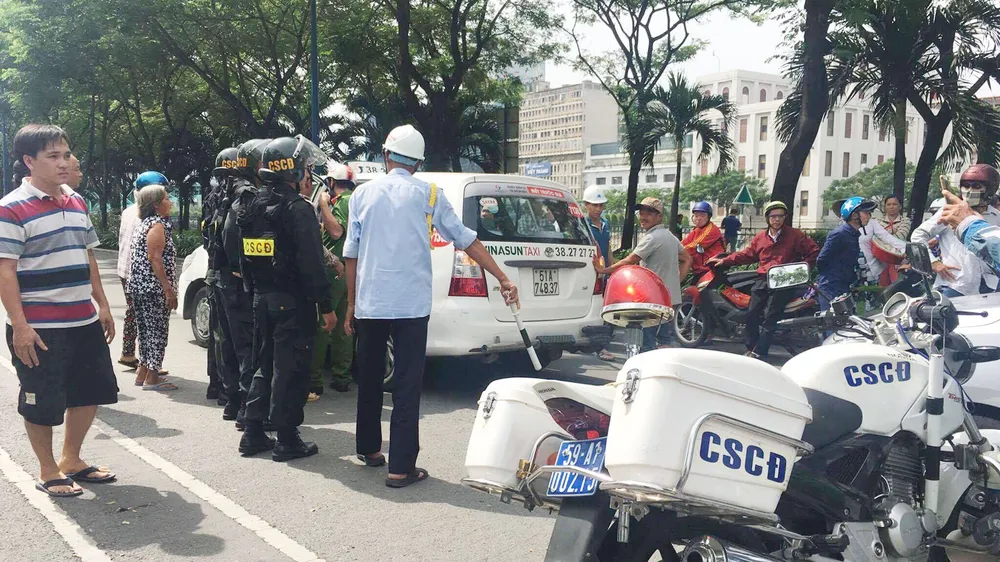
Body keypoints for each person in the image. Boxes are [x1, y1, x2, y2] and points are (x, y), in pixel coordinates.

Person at [345, 124, 519, 487]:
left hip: (371, 303)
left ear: (386, 155)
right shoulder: (430, 194)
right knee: (407, 385)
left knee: (371, 377)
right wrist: (501, 277)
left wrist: (351, 304)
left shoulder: (361, 194)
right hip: (411, 305)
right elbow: (466, 240)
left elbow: (352, 254)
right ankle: (400, 468)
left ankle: (369, 449)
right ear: (418, 163)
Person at [0, 124, 118, 497]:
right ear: (29, 161)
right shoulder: (11, 208)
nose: (64, 162)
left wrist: (102, 305)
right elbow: (5, 271)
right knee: (42, 400)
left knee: (90, 392)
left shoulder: (77, 201)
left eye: (66, 154)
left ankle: (72, 459)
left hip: (83, 321)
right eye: (53, 156)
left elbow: (88, 256)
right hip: (40, 327)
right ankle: (48, 469)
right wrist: (21, 327)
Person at [237, 136, 336, 461]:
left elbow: (244, 258)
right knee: (291, 370)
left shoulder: (252, 205)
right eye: (306, 167)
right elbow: (312, 265)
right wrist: (326, 306)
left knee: (263, 365)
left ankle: (253, 431)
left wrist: (256, 292)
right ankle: (287, 438)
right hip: (293, 303)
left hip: (262, 299)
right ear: (292, 170)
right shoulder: (297, 209)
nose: (309, 173)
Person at [706, 201, 819, 360]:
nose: (777, 219)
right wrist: (725, 260)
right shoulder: (760, 238)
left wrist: (798, 270)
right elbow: (747, 254)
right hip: (763, 279)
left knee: (771, 316)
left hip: (784, 281)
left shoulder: (796, 235)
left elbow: (814, 252)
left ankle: (760, 351)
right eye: (773, 216)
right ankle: (751, 347)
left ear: (785, 217)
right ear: (768, 218)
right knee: (751, 314)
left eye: (780, 216)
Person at [593, 197, 692, 352]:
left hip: (652, 301)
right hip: (668, 299)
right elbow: (687, 259)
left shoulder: (652, 238)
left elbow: (630, 260)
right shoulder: (669, 236)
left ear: (659, 217)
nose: (643, 217)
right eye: (642, 213)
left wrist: (604, 270)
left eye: (649, 213)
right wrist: (675, 283)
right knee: (665, 341)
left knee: (647, 345)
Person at [210, 147, 259, 421]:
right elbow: (233, 237)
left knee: (227, 342)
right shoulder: (245, 195)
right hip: (236, 282)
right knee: (245, 347)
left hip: (221, 278)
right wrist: (245, 270)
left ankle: (232, 400)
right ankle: (244, 408)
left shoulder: (221, 193)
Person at [912, 164, 1000, 297]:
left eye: (976, 186)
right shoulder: (950, 211)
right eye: (966, 186)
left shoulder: (996, 216)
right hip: (955, 284)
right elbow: (918, 235)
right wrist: (933, 262)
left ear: (990, 190)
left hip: (989, 286)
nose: (969, 191)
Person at [127, 185, 178, 391]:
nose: (170, 202)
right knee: (158, 331)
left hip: (140, 286)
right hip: (153, 288)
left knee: (146, 330)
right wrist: (168, 289)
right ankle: (153, 377)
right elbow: (155, 258)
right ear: (156, 204)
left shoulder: (143, 223)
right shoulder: (157, 225)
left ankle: (143, 370)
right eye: (166, 199)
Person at [309, 163, 354, 399]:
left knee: (323, 324)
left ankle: (315, 379)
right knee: (344, 327)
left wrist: (324, 205)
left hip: (334, 269)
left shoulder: (343, 202)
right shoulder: (354, 200)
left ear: (332, 182)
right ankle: (341, 377)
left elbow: (336, 232)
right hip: (350, 269)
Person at [117, 171, 167, 371]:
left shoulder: (129, 211)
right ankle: (149, 365)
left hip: (125, 269)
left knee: (134, 312)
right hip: (143, 273)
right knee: (150, 321)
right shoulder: (149, 218)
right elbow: (153, 254)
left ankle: (129, 353)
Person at [816, 197, 876, 309]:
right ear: (854, 215)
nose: (869, 216)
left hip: (844, 285)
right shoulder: (839, 234)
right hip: (830, 287)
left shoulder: (854, 234)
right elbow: (821, 260)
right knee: (832, 318)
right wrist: (834, 274)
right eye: (866, 213)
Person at [581, 186, 615, 361]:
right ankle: (599, 346)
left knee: (607, 307)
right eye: (595, 205)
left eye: (601, 205)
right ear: (586, 205)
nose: (598, 209)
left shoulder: (605, 224)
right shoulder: (582, 224)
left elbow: (607, 247)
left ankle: (603, 341)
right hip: (591, 271)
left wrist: (612, 268)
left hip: (605, 270)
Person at [682, 201, 725, 277]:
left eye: (702, 215)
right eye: (696, 215)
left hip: (710, 269)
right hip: (699, 268)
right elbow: (685, 242)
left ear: (709, 217)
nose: (698, 218)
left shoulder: (711, 230)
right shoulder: (697, 230)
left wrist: (677, 251)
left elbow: (693, 246)